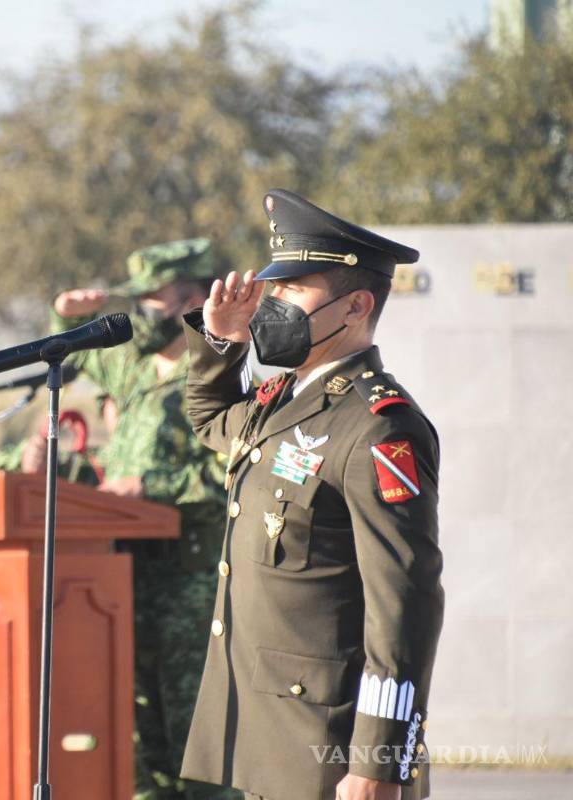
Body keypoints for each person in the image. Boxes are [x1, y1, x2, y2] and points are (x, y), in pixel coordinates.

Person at [177, 189, 444, 800]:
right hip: (267, 742)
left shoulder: (379, 426)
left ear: (355, 306)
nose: (273, 304)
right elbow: (211, 419)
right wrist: (223, 341)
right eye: (275, 289)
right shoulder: (284, 400)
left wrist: (379, 759)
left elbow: (404, 603)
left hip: (330, 755)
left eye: (293, 291)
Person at [52, 239, 239, 800]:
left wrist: (150, 488)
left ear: (196, 298)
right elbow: (72, 354)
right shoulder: (133, 363)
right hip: (121, 576)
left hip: (191, 581)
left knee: (197, 744)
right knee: (141, 742)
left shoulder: (225, 371)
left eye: (154, 303)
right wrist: (65, 318)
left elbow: (238, 471)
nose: (144, 315)